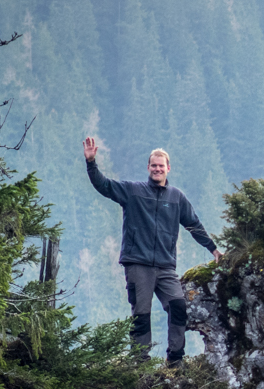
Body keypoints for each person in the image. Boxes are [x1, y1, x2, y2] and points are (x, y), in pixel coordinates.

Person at [83, 136, 223, 365]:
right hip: (138, 264)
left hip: (166, 266)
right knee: (141, 313)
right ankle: (140, 362)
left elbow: (193, 225)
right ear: (148, 168)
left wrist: (213, 249)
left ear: (168, 168)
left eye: (161, 165)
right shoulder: (133, 191)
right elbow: (104, 185)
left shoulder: (177, 197)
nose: (158, 169)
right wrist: (91, 163)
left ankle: (176, 361)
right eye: (154, 165)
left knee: (178, 306)